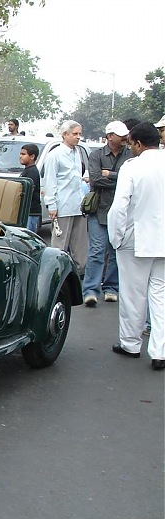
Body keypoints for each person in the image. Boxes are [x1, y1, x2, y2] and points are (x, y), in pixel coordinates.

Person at [107, 123, 165, 370]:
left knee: (133, 294)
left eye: (130, 143)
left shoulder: (133, 166)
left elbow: (120, 206)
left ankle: (131, 344)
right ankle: (160, 350)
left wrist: (116, 237)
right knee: (160, 295)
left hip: (135, 238)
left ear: (138, 144)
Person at [83, 120, 131, 307]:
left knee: (115, 251)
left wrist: (109, 175)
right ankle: (90, 290)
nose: (125, 138)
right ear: (110, 136)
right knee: (96, 251)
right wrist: (119, 178)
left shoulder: (129, 156)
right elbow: (95, 180)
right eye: (121, 135)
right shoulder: (96, 155)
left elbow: (130, 179)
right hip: (100, 209)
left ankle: (111, 287)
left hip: (122, 210)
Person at [42, 120, 87, 274]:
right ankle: (56, 274)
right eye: (75, 134)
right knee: (59, 246)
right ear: (65, 134)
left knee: (79, 246)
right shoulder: (55, 155)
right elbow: (50, 182)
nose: (78, 137)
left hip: (78, 205)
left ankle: (77, 274)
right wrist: (52, 205)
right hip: (63, 205)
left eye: (80, 134)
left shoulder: (77, 152)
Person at [19, 143, 41, 232]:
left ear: (32, 157)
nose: (20, 156)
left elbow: (28, 191)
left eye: (23, 154)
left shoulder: (32, 172)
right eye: (20, 154)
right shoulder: (26, 170)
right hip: (26, 212)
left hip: (31, 211)